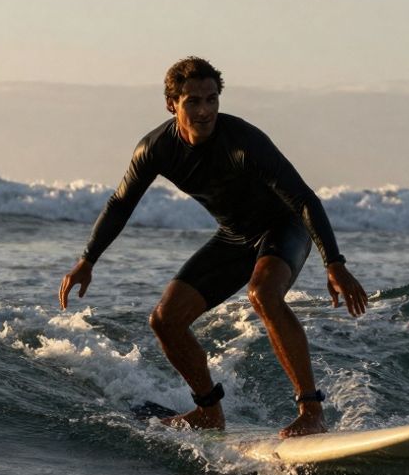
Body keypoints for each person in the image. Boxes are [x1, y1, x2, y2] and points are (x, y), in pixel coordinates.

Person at [58, 57, 367, 438]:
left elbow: (303, 198)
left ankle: (311, 411)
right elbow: (121, 204)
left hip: (283, 226)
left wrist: (333, 262)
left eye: (212, 100)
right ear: (173, 104)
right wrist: (87, 259)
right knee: (165, 320)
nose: (204, 111)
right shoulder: (155, 148)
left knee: (263, 294)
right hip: (235, 236)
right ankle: (208, 412)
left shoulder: (243, 141)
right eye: (193, 102)